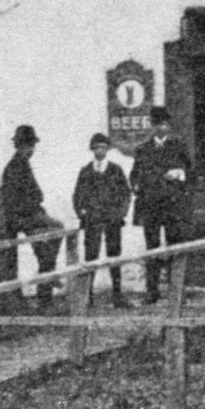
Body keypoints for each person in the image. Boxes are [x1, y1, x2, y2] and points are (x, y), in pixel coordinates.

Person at [128, 107, 193, 304]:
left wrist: (179, 174)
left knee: (175, 245)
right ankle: (152, 292)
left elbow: (191, 172)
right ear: (152, 126)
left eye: (164, 124)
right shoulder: (142, 149)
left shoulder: (178, 146)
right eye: (157, 124)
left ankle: (176, 291)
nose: (161, 128)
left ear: (169, 126)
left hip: (173, 206)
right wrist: (138, 186)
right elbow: (134, 175)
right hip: (151, 206)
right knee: (152, 248)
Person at [0, 125, 62, 308]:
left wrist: (37, 206)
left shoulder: (22, 164)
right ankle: (48, 285)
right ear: (18, 146)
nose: (30, 150)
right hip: (21, 218)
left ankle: (46, 291)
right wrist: (36, 211)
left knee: (46, 251)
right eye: (27, 146)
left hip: (30, 214)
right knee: (58, 228)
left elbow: (35, 194)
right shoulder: (14, 168)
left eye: (32, 146)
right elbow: (15, 200)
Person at [72, 131, 132, 305]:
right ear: (92, 149)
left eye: (104, 148)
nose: (100, 151)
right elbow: (77, 196)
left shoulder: (116, 170)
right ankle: (88, 297)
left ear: (108, 149)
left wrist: (121, 213)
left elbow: (125, 194)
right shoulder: (86, 171)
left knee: (114, 256)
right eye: (97, 148)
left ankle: (117, 295)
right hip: (93, 220)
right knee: (91, 257)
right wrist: (81, 213)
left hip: (113, 219)